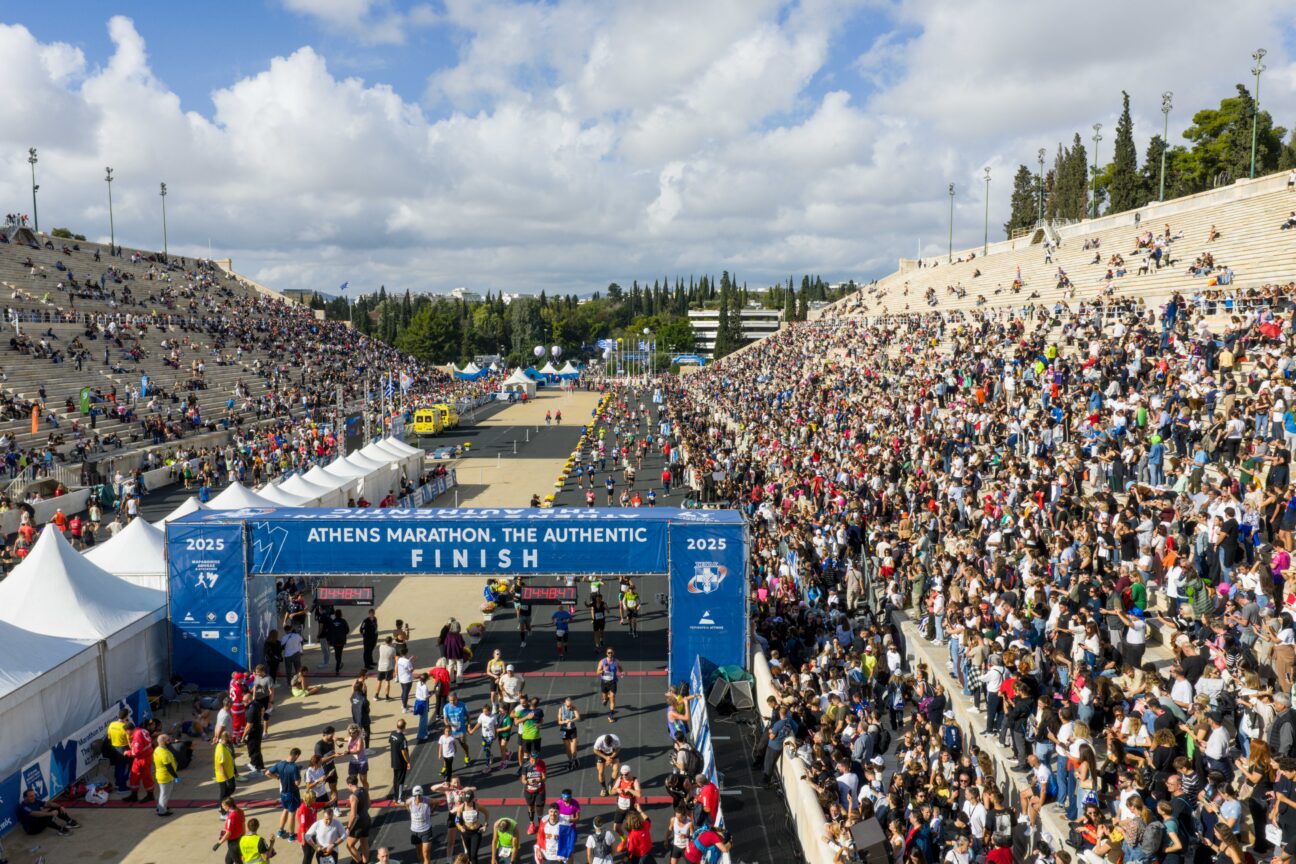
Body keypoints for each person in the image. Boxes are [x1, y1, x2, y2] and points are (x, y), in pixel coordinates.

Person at [267, 747, 304, 840]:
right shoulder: (294, 767)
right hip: (292, 793)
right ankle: (291, 835)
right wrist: (299, 774)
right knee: (292, 813)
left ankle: (281, 830)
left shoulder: (279, 764)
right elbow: (297, 783)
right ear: (296, 755)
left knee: (285, 809)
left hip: (283, 793)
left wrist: (277, 778)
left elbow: (267, 773)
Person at [455, 790, 490, 864]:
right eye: (465, 801)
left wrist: (485, 825)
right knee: (468, 854)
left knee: (473, 855)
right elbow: (457, 821)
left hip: (476, 832)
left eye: (468, 801)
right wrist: (460, 827)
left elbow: (486, 813)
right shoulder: (461, 808)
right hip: (466, 833)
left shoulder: (476, 806)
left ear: (473, 799)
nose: (466, 803)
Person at [345, 775, 372, 864]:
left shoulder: (353, 796)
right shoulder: (364, 790)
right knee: (364, 843)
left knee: (349, 845)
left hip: (359, 823)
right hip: (367, 819)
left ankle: (360, 863)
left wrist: (348, 827)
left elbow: (353, 815)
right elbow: (368, 804)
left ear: (349, 785)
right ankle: (365, 862)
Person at [519, 751, 547, 834]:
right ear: (530, 758)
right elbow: (523, 780)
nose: (533, 761)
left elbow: (545, 778)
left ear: (537, 759)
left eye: (535, 760)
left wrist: (540, 780)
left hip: (540, 790)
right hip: (529, 791)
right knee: (530, 807)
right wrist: (529, 782)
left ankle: (541, 825)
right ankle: (531, 824)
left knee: (540, 808)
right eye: (531, 759)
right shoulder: (526, 766)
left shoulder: (542, 763)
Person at [153, 732, 180, 817]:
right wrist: (175, 776)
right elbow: (169, 767)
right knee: (165, 794)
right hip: (166, 776)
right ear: (163, 742)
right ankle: (162, 811)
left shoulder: (157, 749)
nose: (170, 741)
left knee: (163, 793)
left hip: (161, 775)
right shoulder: (164, 753)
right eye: (168, 740)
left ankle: (161, 806)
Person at [213, 797, 246, 864]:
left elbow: (228, 833)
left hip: (233, 843)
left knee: (238, 862)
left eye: (223, 806)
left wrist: (218, 843)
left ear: (227, 806)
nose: (222, 807)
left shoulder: (231, 817)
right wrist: (243, 836)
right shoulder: (240, 811)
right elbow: (243, 825)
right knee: (228, 861)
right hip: (240, 839)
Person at [407, 786, 435, 864]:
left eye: (419, 795)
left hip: (426, 830)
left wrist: (431, 811)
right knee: (419, 854)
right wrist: (410, 812)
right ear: (413, 796)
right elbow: (406, 805)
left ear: (422, 794)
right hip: (415, 831)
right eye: (416, 795)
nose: (418, 797)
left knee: (425, 853)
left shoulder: (427, 801)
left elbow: (437, 802)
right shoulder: (409, 802)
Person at [389, 718, 412, 802]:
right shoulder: (402, 739)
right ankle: (399, 798)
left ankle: (395, 796)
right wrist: (408, 761)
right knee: (400, 780)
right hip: (401, 762)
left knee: (395, 779)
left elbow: (391, 743)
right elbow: (404, 752)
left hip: (394, 760)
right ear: (404, 727)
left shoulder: (392, 734)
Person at [596, 649, 620, 722]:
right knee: (605, 698)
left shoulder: (616, 661)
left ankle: (611, 715)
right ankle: (606, 699)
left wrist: (622, 672)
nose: (610, 654)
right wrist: (603, 670)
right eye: (609, 653)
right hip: (604, 682)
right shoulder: (602, 661)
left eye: (611, 652)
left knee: (612, 697)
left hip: (613, 682)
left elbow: (620, 667)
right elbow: (597, 672)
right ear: (606, 653)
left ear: (613, 653)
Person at [558, 697, 581, 770]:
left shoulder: (574, 708)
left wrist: (571, 720)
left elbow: (578, 717)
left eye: (570, 705)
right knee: (568, 749)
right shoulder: (561, 709)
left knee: (573, 749)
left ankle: (574, 758)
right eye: (568, 706)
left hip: (572, 730)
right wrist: (565, 722)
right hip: (563, 730)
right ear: (565, 704)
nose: (569, 707)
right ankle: (570, 761)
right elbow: (559, 722)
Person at [214, 729, 238, 801]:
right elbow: (221, 766)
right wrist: (227, 780)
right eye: (230, 737)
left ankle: (225, 803)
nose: (231, 739)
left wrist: (235, 771)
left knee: (232, 788)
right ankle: (222, 809)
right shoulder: (220, 749)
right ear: (225, 738)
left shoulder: (225, 746)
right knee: (224, 793)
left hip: (230, 773)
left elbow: (230, 759)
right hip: (223, 776)